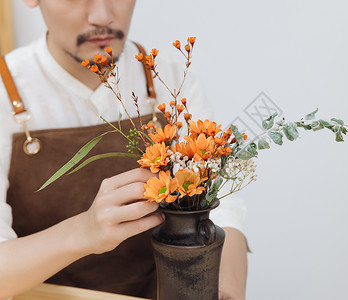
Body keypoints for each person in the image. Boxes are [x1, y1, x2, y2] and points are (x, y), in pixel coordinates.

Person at [0, 0, 248, 299]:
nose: (102, 16)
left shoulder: (170, 77)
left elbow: (223, 211)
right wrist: (85, 232)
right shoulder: (5, 91)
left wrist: (223, 291)